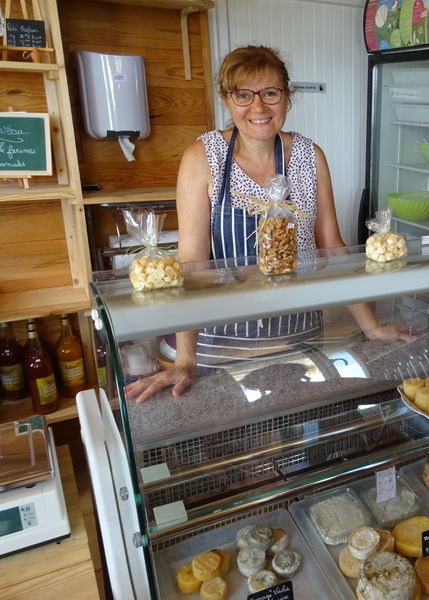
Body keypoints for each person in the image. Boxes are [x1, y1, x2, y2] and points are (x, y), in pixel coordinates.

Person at [126, 45, 412, 403]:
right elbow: (192, 263)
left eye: (271, 93)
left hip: (300, 336)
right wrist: (186, 358)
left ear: (287, 97)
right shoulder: (204, 157)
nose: (258, 107)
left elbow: (333, 247)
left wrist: (371, 326)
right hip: (220, 346)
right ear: (225, 100)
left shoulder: (310, 157)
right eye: (243, 95)